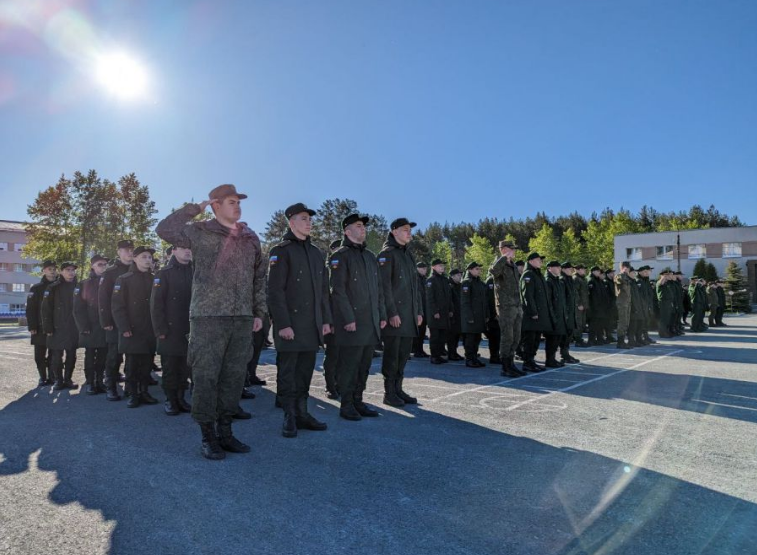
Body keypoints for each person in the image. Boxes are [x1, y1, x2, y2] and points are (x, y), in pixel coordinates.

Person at [156, 184, 267, 460]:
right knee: (206, 377)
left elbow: (259, 277)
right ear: (216, 205)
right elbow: (164, 229)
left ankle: (226, 432)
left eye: (239, 202)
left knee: (233, 378)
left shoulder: (250, 236)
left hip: (241, 318)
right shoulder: (198, 231)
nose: (237, 206)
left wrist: (258, 312)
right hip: (208, 317)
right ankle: (207, 435)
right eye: (231, 202)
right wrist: (195, 208)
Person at [267, 203, 332, 437]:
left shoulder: (316, 253)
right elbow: (274, 291)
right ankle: (289, 416)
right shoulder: (281, 251)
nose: (309, 222)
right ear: (291, 222)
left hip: (311, 326)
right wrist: (283, 324)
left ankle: (303, 413)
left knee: (305, 372)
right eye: (303, 218)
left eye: (310, 219)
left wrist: (325, 320)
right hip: (290, 326)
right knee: (288, 373)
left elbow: (323, 290)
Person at [329, 213, 386, 421]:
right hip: (352, 323)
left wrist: (381, 314)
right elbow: (338, 291)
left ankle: (358, 400)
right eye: (359, 226)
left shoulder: (370, 257)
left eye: (364, 226)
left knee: (364, 365)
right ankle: (346, 404)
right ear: (347, 231)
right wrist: (348, 318)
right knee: (349, 365)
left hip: (370, 321)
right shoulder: (340, 256)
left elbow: (379, 289)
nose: (363, 229)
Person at [378, 217, 423, 407]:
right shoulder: (387, 254)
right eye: (405, 230)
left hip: (408, 316)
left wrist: (418, 311)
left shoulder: (408, 255)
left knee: (403, 356)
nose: (409, 233)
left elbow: (415, 287)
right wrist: (391, 313)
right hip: (395, 317)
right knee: (392, 356)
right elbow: (384, 287)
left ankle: (398, 389)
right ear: (394, 231)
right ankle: (389, 393)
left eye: (410, 230)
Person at [112, 246, 159, 409]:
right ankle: (133, 394)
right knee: (132, 365)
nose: (148, 260)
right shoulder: (124, 279)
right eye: (144, 257)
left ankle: (144, 392)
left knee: (147, 364)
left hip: (150, 329)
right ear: (135, 259)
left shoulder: (155, 279)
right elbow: (117, 306)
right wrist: (124, 327)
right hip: (132, 329)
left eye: (150, 257)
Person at [151, 244, 193, 416]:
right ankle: (170, 400)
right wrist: (160, 329)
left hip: (191, 329)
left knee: (185, 367)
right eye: (183, 247)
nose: (188, 250)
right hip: (169, 329)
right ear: (174, 250)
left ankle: (181, 398)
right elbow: (156, 305)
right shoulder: (163, 274)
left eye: (190, 247)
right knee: (170, 368)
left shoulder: (196, 271)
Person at [99, 239, 134, 401]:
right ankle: (111, 386)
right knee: (114, 356)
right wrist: (106, 321)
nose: (129, 252)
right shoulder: (110, 273)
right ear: (118, 252)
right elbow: (103, 299)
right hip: (114, 322)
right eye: (125, 250)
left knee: (133, 356)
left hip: (134, 320)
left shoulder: (137, 269)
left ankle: (131, 387)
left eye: (131, 249)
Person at [73, 255, 109, 395]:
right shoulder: (83, 284)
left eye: (105, 264)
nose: (103, 267)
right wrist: (83, 327)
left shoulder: (109, 282)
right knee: (90, 356)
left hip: (106, 326)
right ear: (92, 266)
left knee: (103, 356)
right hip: (90, 326)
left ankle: (100, 381)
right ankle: (90, 383)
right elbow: (78, 308)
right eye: (100, 264)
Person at [42, 262, 80, 390]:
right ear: (61, 272)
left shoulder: (79, 287)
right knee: (56, 357)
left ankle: (68, 379)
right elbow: (46, 309)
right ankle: (58, 380)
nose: (71, 272)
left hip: (73, 328)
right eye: (68, 270)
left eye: (73, 270)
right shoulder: (53, 287)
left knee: (71, 356)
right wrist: (48, 328)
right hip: (56, 328)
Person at [489, 240, 524, 377]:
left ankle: (511, 364)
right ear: (503, 249)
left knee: (516, 337)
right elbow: (493, 271)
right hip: (505, 307)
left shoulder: (513, 266)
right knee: (507, 337)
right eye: (511, 248)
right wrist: (503, 258)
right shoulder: (499, 264)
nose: (514, 251)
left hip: (516, 306)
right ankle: (505, 367)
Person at [26, 260, 57, 386]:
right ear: (44, 271)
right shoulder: (36, 288)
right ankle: (42, 377)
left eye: (54, 268)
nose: (52, 271)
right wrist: (32, 326)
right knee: (39, 355)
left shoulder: (59, 286)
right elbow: (30, 309)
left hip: (56, 326)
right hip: (39, 327)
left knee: (54, 354)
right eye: (49, 269)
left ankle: (52, 376)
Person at [520, 253, 552, 373]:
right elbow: (527, 295)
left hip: (539, 315)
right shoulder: (528, 275)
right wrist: (533, 312)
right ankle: (527, 363)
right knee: (530, 340)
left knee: (536, 339)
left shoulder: (537, 275)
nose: (541, 262)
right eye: (539, 260)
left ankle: (531, 361)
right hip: (531, 316)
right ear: (531, 261)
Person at [322, 239, 342, 398]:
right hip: (333, 320)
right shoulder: (328, 270)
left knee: (344, 356)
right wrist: (330, 321)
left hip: (347, 320)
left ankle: (339, 383)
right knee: (333, 355)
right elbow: (326, 298)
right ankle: (330, 385)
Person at [460, 262, 488, 368]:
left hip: (479, 317)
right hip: (471, 318)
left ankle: (475, 358)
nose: (479, 270)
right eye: (477, 269)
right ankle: (469, 359)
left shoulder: (479, 283)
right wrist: (469, 316)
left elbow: (484, 301)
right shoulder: (467, 283)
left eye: (479, 269)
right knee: (470, 340)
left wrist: (486, 314)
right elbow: (465, 302)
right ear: (470, 270)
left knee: (477, 339)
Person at [426, 259, 452, 364]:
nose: (442, 267)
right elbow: (430, 298)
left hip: (444, 313)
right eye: (439, 265)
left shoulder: (444, 280)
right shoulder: (431, 280)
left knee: (442, 336)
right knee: (435, 336)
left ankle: (439, 355)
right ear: (433, 267)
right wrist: (434, 311)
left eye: (443, 265)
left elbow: (449, 297)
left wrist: (451, 309)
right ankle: (434, 356)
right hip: (435, 314)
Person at [544, 261, 568, 368]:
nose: (559, 269)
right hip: (553, 316)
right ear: (550, 268)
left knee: (557, 339)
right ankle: (549, 360)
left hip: (559, 315)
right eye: (557, 267)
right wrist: (552, 316)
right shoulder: (548, 281)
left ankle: (553, 359)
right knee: (552, 340)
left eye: (559, 267)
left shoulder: (558, 281)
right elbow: (548, 301)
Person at [559, 262, 580, 364]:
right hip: (566, 312)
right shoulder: (562, 280)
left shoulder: (569, 279)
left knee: (569, 333)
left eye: (572, 269)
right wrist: (566, 312)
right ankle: (564, 354)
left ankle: (566, 353)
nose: (571, 271)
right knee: (565, 334)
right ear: (563, 269)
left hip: (571, 311)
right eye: (569, 269)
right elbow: (562, 298)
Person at [614, 262, 635, 349]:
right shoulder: (619, 276)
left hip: (627, 303)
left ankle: (622, 341)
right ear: (622, 267)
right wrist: (623, 273)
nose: (628, 269)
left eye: (628, 268)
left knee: (626, 322)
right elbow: (619, 282)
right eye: (626, 267)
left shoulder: (627, 277)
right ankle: (620, 342)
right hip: (622, 303)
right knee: (622, 322)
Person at [587, 266, 608, 345]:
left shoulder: (599, 281)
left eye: (599, 271)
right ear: (593, 272)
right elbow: (590, 295)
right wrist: (593, 306)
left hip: (601, 307)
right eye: (597, 271)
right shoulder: (591, 281)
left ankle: (599, 338)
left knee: (600, 324)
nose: (599, 272)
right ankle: (591, 340)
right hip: (594, 307)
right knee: (593, 325)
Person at [412, 262, 430, 358]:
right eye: (423, 268)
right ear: (418, 268)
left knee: (422, 331)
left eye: (425, 268)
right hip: (418, 309)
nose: (425, 270)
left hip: (424, 308)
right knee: (418, 331)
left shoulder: (424, 279)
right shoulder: (415, 279)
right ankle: (417, 350)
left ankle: (420, 349)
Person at [483, 271, 501, 366]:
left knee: (499, 337)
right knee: (494, 337)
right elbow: (490, 300)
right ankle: (494, 356)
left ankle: (497, 355)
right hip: (493, 316)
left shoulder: (500, 280)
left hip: (501, 314)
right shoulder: (491, 281)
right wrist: (494, 314)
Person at [447, 269, 464, 361]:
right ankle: (451, 353)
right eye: (458, 275)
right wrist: (450, 311)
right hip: (452, 314)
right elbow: (449, 300)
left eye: (460, 275)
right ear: (452, 276)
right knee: (452, 336)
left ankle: (454, 352)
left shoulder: (459, 286)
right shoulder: (449, 286)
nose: (460, 277)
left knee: (457, 334)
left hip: (459, 314)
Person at [656, 268, 677, 338]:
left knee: (667, 319)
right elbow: (661, 283)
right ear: (663, 275)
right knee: (664, 319)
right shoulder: (660, 282)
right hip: (663, 303)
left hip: (668, 303)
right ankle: (662, 333)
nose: (669, 276)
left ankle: (666, 332)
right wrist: (663, 277)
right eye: (667, 275)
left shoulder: (666, 283)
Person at [572, 264, 589, 347]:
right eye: (582, 269)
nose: (584, 270)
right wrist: (579, 304)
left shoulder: (583, 279)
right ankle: (578, 340)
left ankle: (580, 339)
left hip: (584, 305)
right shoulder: (576, 279)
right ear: (577, 270)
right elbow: (575, 293)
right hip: (579, 305)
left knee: (582, 323)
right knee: (578, 323)